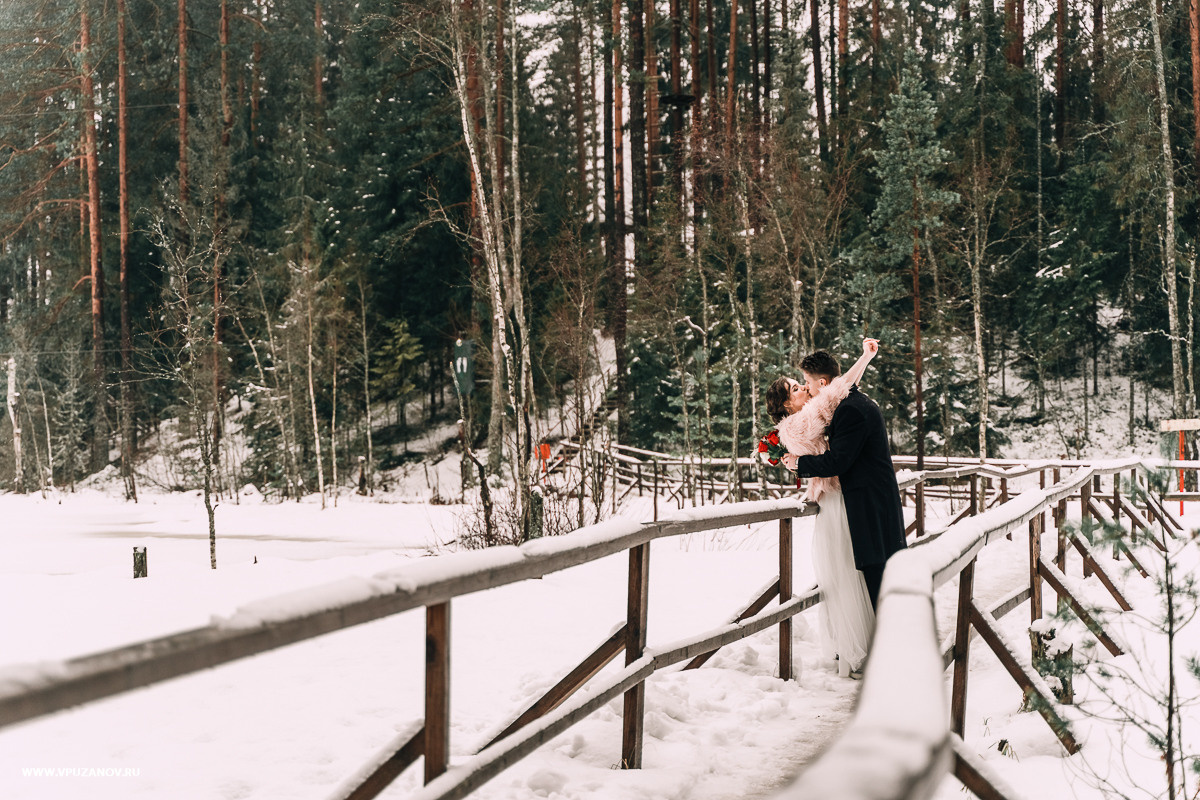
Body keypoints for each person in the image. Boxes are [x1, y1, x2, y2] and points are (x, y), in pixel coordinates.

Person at [764, 338, 881, 678]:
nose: (803, 389)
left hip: (832, 498)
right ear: (788, 403)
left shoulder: (798, 422)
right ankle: (857, 651)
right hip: (836, 499)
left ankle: (852, 648)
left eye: (802, 384)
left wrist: (864, 358)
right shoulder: (801, 421)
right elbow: (837, 388)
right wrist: (864, 359)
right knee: (846, 571)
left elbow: (836, 387)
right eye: (796, 388)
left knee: (845, 571)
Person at [784, 344, 907, 616]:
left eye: (807, 383)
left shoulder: (850, 410)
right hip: (876, 505)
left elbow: (839, 461)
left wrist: (798, 463)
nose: (807, 389)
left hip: (870, 509)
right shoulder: (854, 402)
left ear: (823, 383)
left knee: (880, 585)